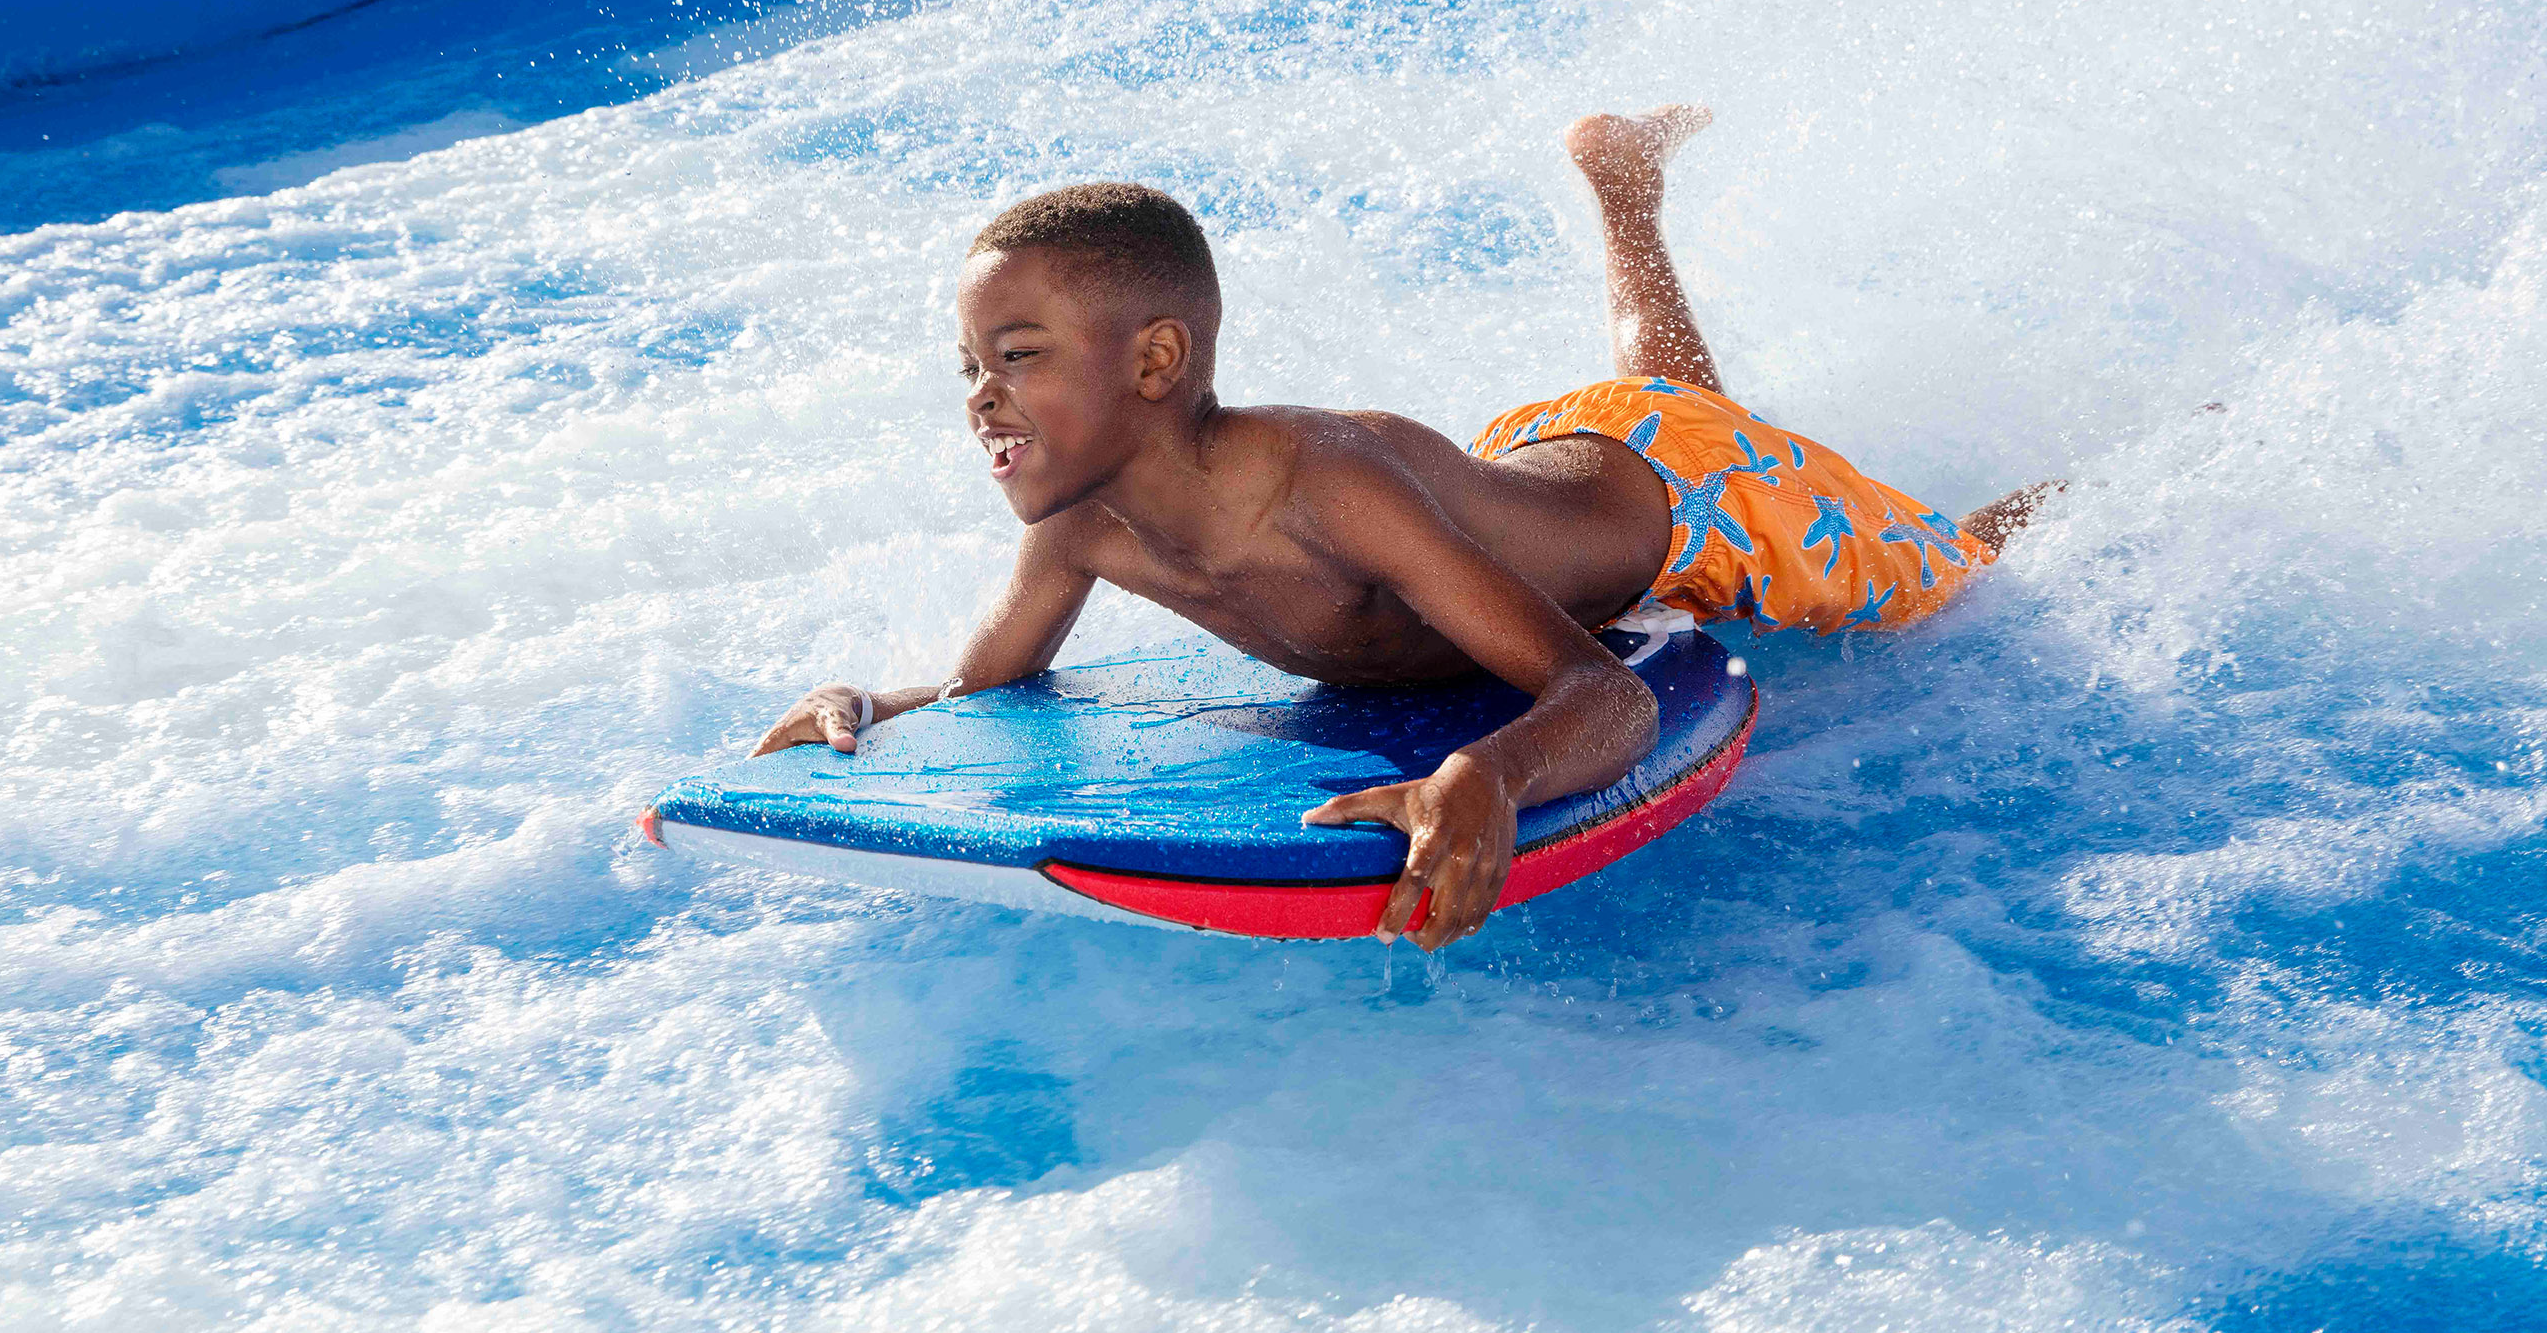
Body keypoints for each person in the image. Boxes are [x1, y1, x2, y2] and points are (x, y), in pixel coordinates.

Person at [757, 106, 2051, 949]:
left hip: (1707, 499)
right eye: (969, 364)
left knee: (1963, 565)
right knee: (1671, 395)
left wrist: (1486, 773)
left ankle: (2159, 456)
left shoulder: (1329, 485)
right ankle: (1625, 190)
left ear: (1157, 360)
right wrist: (867, 705)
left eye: (1018, 354)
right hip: (1555, 463)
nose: (982, 393)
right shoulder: (1083, 529)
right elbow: (985, 692)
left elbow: (1602, 696)